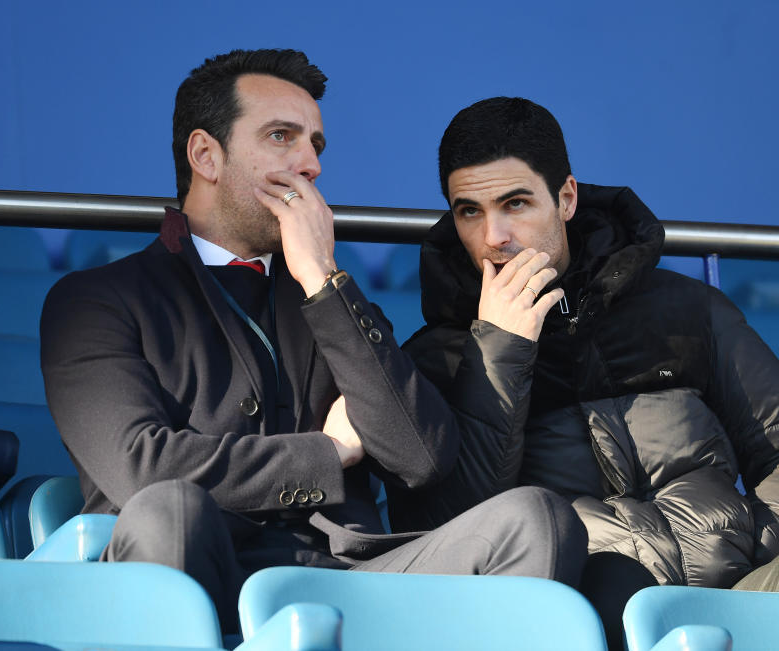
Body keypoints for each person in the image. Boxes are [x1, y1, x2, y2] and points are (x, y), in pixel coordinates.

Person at [39, 53, 587, 632]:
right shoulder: (95, 300)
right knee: (168, 508)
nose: (310, 164)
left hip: (350, 582)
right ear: (206, 156)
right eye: (282, 137)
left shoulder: (328, 295)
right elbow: (142, 471)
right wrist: (330, 454)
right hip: (202, 576)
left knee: (536, 519)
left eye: (316, 146)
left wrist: (324, 279)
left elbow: (422, 458)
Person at [388, 96, 779, 645]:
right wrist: (501, 349)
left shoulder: (684, 309)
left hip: (736, 590)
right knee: (606, 584)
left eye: (516, 203)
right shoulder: (440, 359)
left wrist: (744, 540)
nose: (494, 236)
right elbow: (447, 534)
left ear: (566, 198)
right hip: (588, 620)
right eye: (469, 211)